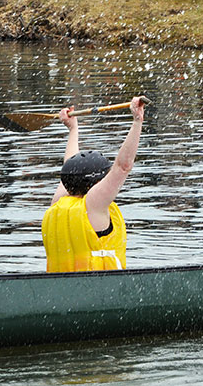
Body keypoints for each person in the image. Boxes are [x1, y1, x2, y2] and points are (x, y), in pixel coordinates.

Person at [42, 97, 146, 273]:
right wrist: (137, 120)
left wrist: (73, 129)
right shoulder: (94, 206)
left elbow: (69, 163)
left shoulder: (58, 202)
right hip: (102, 292)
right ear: (96, 182)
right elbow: (122, 167)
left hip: (58, 293)